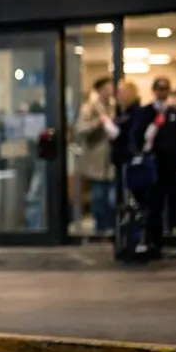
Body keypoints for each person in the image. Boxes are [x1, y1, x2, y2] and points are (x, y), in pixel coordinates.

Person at [128, 77, 176, 259]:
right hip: (154, 165)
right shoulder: (146, 113)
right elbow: (136, 136)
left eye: (166, 89)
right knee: (155, 207)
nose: (162, 93)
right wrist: (139, 157)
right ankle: (155, 244)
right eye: (159, 89)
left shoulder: (175, 113)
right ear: (154, 90)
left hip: (173, 164)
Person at [74, 77, 118, 236]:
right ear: (99, 90)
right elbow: (80, 129)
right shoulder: (89, 108)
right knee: (99, 196)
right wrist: (97, 124)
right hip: (96, 160)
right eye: (106, 88)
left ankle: (113, 227)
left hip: (112, 160)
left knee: (113, 198)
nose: (110, 92)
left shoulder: (115, 107)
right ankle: (101, 227)